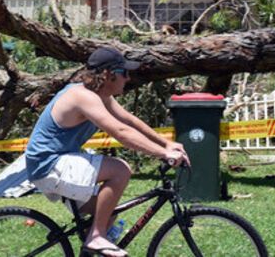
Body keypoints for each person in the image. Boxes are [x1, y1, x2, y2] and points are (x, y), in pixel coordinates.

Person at [25, 47, 189, 257]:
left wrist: (166, 144)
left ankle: (92, 240)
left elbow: (128, 121)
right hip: (48, 165)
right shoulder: (82, 97)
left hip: (55, 164)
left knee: (108, 211)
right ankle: (96, 237)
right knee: (120, 170)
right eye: (124, 72)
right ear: (109, 74)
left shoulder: (99, 95)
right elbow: (120, 132)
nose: (128, 78)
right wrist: (162, 153)